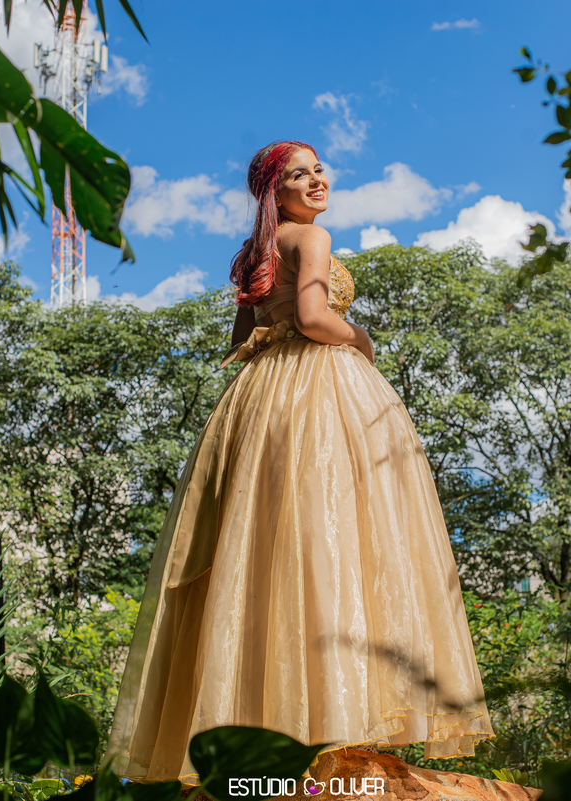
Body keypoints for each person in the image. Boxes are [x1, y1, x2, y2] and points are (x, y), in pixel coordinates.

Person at [101, 140, 494, 784]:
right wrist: (362, 339)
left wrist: (277, 337)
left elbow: (242, 340)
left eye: (318, 170)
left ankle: (258, 749)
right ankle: (328, 740)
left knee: (260, 556)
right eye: (298, 175)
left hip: (261, 401)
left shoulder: (253, 254)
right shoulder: (313, 238)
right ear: (273, 191)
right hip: (319, 392)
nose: (316, 181)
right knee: (334, 544)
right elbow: (313, 318)